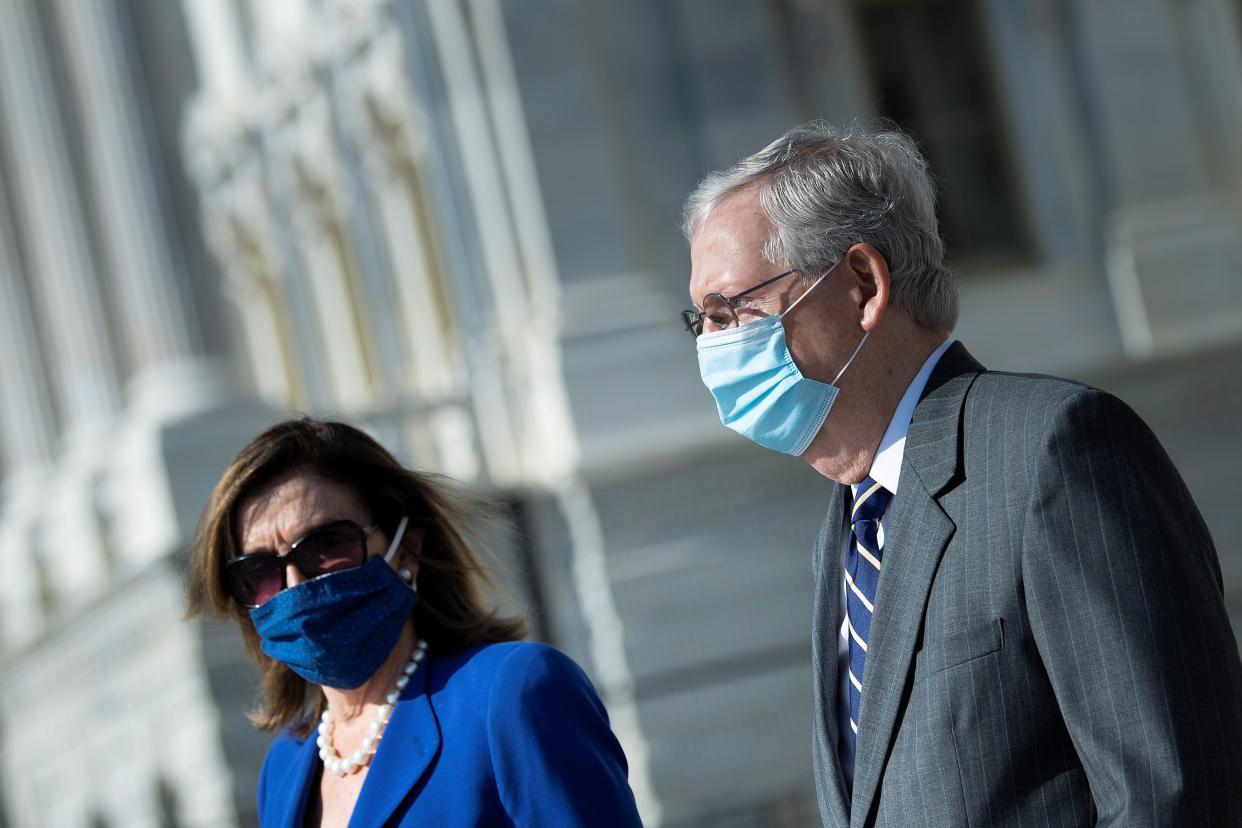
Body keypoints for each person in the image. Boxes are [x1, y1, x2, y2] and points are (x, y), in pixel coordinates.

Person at [680, 121, 1242, 826]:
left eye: (736, 310)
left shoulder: (1052, 451)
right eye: (702, 321)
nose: (716, 346)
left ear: (861, 285)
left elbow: (1175, 794)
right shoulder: (849, 530)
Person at [186, 418, 643, 827]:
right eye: (259, 571)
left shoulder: (511, 693)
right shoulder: (284, 767)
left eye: (327, 544)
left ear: (407, 550)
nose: (295, 584)